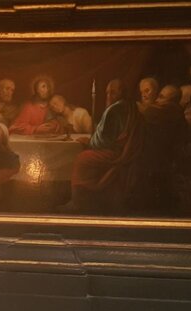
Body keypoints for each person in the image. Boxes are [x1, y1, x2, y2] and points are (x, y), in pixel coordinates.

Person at [62, 79, 145, 212]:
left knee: (82, 159)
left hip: (117, 153)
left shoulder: (115, 109)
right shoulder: (131, 107)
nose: (108, 96)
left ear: (122, 93)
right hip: (125, 150)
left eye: (113, 93)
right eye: (107, 93)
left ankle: (77, 201)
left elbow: (102, 141)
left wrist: (89, 142)